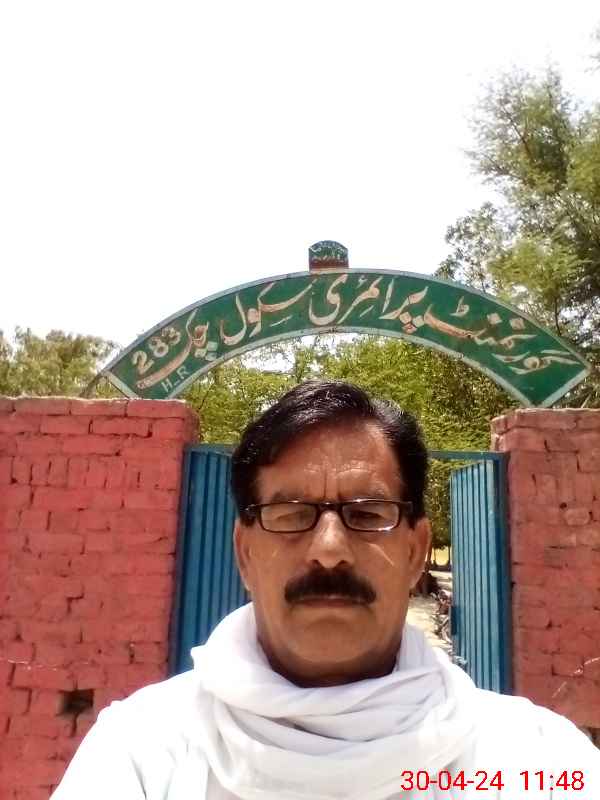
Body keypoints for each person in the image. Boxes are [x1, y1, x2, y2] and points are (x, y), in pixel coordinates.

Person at [51, 381, 599, 799]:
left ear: (415, 551)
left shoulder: (536, 761)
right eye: (291, 513)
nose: (330, 549)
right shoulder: (143, 753)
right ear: (245, 552)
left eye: (368, 513)